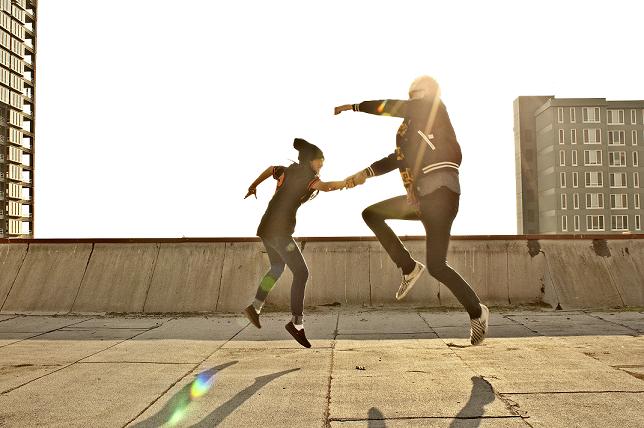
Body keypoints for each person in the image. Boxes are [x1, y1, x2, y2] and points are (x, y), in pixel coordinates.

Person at [334, 76, 489, 345]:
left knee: (436, 264)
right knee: (377, 218)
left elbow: (394, 106)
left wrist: (356, 106)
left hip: (442, 195)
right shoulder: (407, 133)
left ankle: (473, 311)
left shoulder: (434, 108)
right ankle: (415, 271)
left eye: (419, 92)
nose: (414, 97)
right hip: (423, 199)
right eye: (411, 92)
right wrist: (364, 173)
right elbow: (397, 159)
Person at [243, 138, 346, 348]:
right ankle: (296, 323)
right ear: (310, 160)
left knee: (277, 267)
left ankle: (255, 307)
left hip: (267, 228)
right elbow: (326, 187)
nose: (321, 165)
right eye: (319, 162)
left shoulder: (287, 171)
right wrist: (346, 183)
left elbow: (270, 169)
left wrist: (253, 186)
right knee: (301, 273)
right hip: (279, 232)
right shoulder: (307, 177)